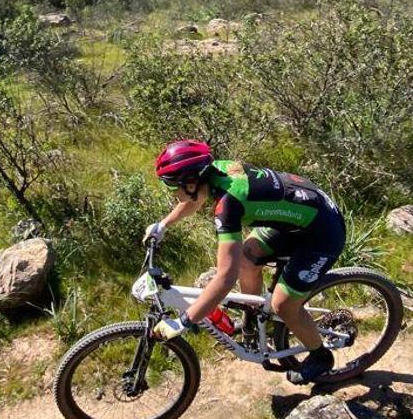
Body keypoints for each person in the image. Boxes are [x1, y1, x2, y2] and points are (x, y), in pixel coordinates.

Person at [144, 139, 346, 385]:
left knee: (284, 305)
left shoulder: (229, 205)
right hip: (298, 218)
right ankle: (254, 315)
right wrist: (162, 225)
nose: (173, 192)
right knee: (246, 259)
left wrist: (184, 321)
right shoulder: (215, 171)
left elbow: (225, 278)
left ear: (191, 181)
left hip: (322, 232)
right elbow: (192, 201)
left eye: (173, 186)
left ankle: (321, 356)